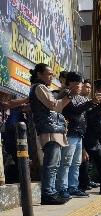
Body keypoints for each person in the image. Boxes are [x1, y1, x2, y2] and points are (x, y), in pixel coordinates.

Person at [29, 63, 72, 204]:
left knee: (55, 164)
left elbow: (56, 107)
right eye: (49, 74)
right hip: (49, 130)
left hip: (54, 129)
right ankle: (48, 194)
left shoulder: (44, 88)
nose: (51, 77)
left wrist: (68, 96)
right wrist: (64, 94)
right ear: (39, 75)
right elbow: (53, 105)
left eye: (52, 74)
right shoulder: (39, 87)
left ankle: (51, 192)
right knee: (51, 164)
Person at [60, 71, 95, 198]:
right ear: (72, 83)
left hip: (79, 133)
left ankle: (73, 187)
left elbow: (86, 113)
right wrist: (91, 102)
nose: (81, 85)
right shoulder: (66, 95)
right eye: (79, 83)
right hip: (69, 133)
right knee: (66, 162)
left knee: (75, 163)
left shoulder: (80, 97)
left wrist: (98, 103)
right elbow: (75, 110)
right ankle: (63, 188)